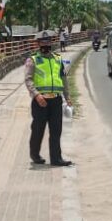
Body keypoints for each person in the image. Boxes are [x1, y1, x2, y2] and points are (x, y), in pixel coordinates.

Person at [25, 31, 72, 166]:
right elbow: (28, 80)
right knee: (38, 130)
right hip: (40, 101)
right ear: (38, 44)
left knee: (56, 130)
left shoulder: (58, 59)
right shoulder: (33, 60)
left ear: (51, 42)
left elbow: (63, 79)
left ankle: (56, 159)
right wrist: (36, 95)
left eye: (48, 41)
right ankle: (35, 155)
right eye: (43, 42)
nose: (46, 44)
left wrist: (67, 96)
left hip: (56, 100)